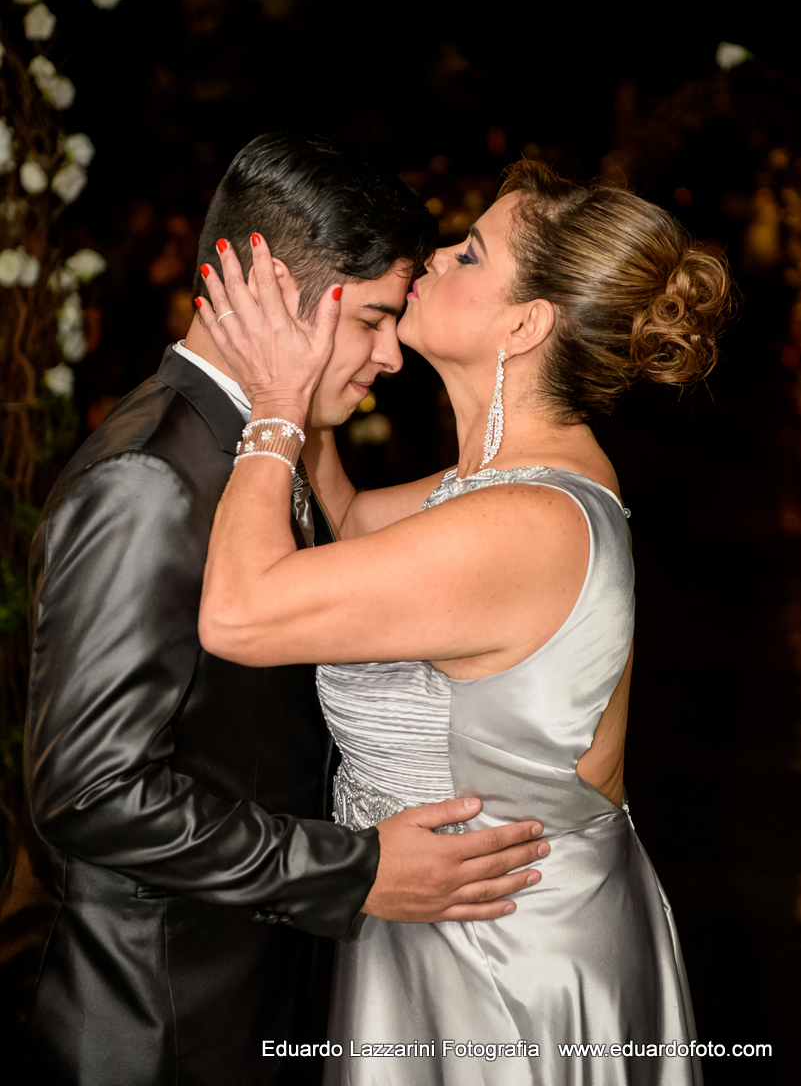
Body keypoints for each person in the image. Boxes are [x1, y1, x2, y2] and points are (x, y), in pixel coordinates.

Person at [0, 134, 551, 1086]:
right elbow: (88, 794)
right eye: (373, 318)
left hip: (240, 989)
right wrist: (354, 868)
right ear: (262, 282)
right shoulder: (148, 481)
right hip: (152, 1018)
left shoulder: (254, 445)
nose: (390, 356)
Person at [195, 159, 731, 1086]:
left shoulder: (519, 526)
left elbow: (239, 615)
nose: (437, 254)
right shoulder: (500, 485)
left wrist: (275, 405)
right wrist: (305, 357)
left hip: (501, 964)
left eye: (469, 251)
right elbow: (353, 521)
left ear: (524, 324)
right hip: (461, 924)